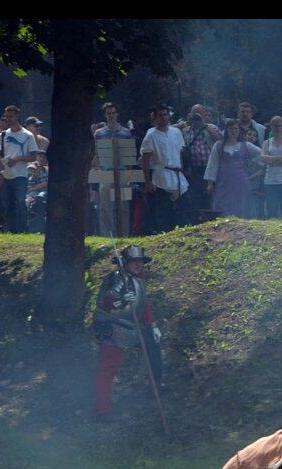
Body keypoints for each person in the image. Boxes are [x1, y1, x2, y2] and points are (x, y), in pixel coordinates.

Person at [92, 245, 162, 420]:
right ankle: (102, 409)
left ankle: (155, 388)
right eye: (134, 262)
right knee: (107, 369)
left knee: (153, 348)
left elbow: (143, 306)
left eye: (140, 262)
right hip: (112, 327)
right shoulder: (117, 277)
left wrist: (152, 326)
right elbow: (106, 299)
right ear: (125, 264)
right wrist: (122, 299)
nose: (139, 265)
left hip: (128, 328)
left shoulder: (137, 281)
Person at [140, 103, 189, 233]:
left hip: (177, 175)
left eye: (165, 115)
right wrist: (148, 182)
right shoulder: (151, 135)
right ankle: (164, 233)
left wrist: (182, 170)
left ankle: (182, 232)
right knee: (163, 210)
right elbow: (145, 160)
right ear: (155, 118)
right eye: (160, 115)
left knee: (185, 205)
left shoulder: (176, 132)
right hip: (161, 175)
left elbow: (180, 153)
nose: (163, 118)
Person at [92, 102, 136, 237]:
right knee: (105, 207)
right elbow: (96, 154)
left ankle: (124, 235)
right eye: (108, 113)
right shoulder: (99, 133)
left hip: (122, 173)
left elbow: (129, 157)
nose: (111, 115)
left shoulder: (126, 132)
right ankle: (107, 236)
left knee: (123, 207)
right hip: (106, 172)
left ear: (117, 114)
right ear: (105, 115)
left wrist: (129, 176)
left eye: (113, 113)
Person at [205, 119, 263, 219]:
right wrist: (210, 183)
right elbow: (212, 164)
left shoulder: (246, 145)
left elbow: (261, 154)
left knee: (241, 207)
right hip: (223, 182)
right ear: (226, 130)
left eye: (236, 128)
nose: (233, 131)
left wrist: (250, 164)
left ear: (239, 130)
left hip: (240, 182)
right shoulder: (218, 145)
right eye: (231, 128)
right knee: (223, 206)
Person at [0, 105, 39, 233]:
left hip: (20, 175)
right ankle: (9, 230)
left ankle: (22, 230)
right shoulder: (2, 135)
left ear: (17, 116)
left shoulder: (27, 135)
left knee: (20, 202)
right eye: (6, 117)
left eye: (11, 116)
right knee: (7, 203)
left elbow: (33, 156)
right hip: (6, 174)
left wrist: (17, 159)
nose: (8, 119)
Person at [179, 104, 221, 216]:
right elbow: (169, 128)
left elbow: (219, 140)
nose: (197, 116)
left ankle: (211, 218)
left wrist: (203, 124)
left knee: (210, 194)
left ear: (204, 114)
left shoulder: (211, 127)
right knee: (196, 196)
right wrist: (185, 122)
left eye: (199, 113)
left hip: (209, 168)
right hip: (193, 170)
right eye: (194, 113)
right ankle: (198, 219)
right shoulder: (185, 130)